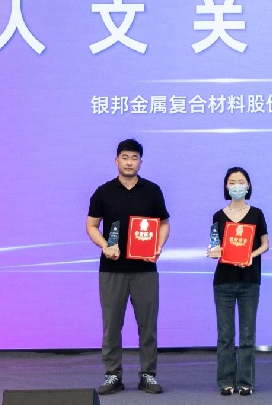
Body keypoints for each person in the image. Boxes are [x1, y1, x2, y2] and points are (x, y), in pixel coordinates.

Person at [86, 138, 170, 395]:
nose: (129, 162)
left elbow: (163, 223)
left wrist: (158, 245)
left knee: (148, 325)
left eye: (134, 158)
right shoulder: (103, 192)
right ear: (116, 161)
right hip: (112, 269)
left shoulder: (152, 191)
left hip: (145, 270)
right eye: (125, 157)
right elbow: (92, 225)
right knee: (112, 325)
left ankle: (148, 375)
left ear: (141, 162)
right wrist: (105, 246)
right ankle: (113, 375)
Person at [207, 167, 269, 396]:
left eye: (241, 181)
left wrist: (250, 255)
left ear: (248, 185)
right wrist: (213, 251)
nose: (236, 186)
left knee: (247, 334)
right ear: (226, 186)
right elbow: (214, 244)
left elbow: (265, 244)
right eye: (232, 182)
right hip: (223, 280)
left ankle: (245, 382)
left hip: (249, 280)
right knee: (225, 335)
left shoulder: (257, 214)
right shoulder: (218, 216)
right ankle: (225, 381)